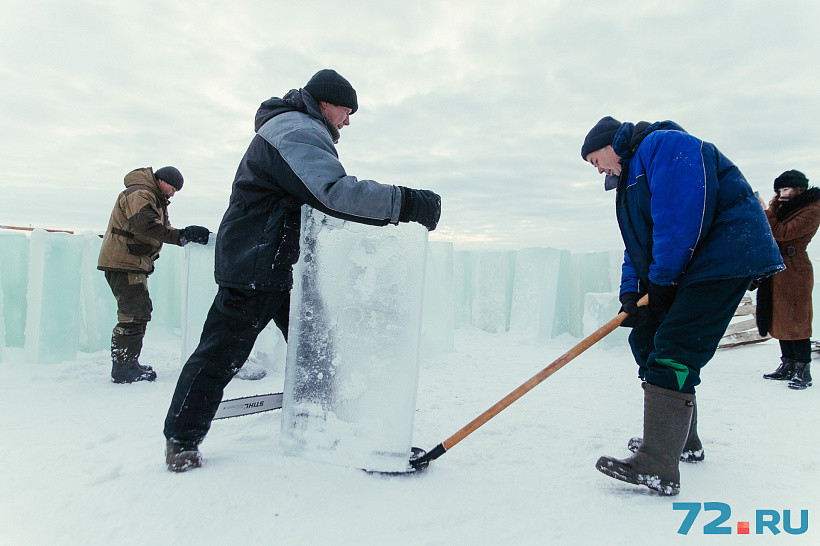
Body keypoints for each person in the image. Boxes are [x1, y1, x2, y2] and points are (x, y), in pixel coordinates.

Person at [163, 69, 442, 472]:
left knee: (316, 350)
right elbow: (332, 191)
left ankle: (320, 422)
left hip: (276, 264)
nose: (348, 121)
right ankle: (182, 440)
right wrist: (406, 203)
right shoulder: (296, 129)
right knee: (221, 353)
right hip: (255, 264)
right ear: (326, 102)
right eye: (347, 110)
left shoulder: (297, 128)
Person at [581, 117, 784, 495]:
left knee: (674, 347)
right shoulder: (629, 180)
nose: (598, 170)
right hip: (689, 265)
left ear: (611, 144)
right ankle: (682, 443)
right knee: (647, 339)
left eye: (595, 160)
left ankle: (658, 464)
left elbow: (680, 218)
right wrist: (632, 292)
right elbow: (637, 246)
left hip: (723, 258)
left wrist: (661, 280)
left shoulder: (664, 145)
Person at [98, 166, 210, 383]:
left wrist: (182, 236)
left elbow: (157, 227)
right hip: (125, 262)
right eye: (172, 188)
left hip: (130, 261)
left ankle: (127, 363)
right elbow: (146, 226)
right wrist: (183, 235)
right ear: (161, 180)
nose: (173, 193)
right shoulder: (141, 193)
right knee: (134, 313)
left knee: (137, 311)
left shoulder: (152, 197)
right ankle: (124, 369)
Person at [758, 170, 818, 390]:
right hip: (778, 267)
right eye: (780, 189)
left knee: (797, 319)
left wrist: (765, 210)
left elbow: (781, 232)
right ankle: (788, 364)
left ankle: (803, 370)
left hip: (795, 269)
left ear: (799, 188)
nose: (782, 193)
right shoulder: (781, 207)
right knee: (780, 317)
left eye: (786, 188)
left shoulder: (812, 209)